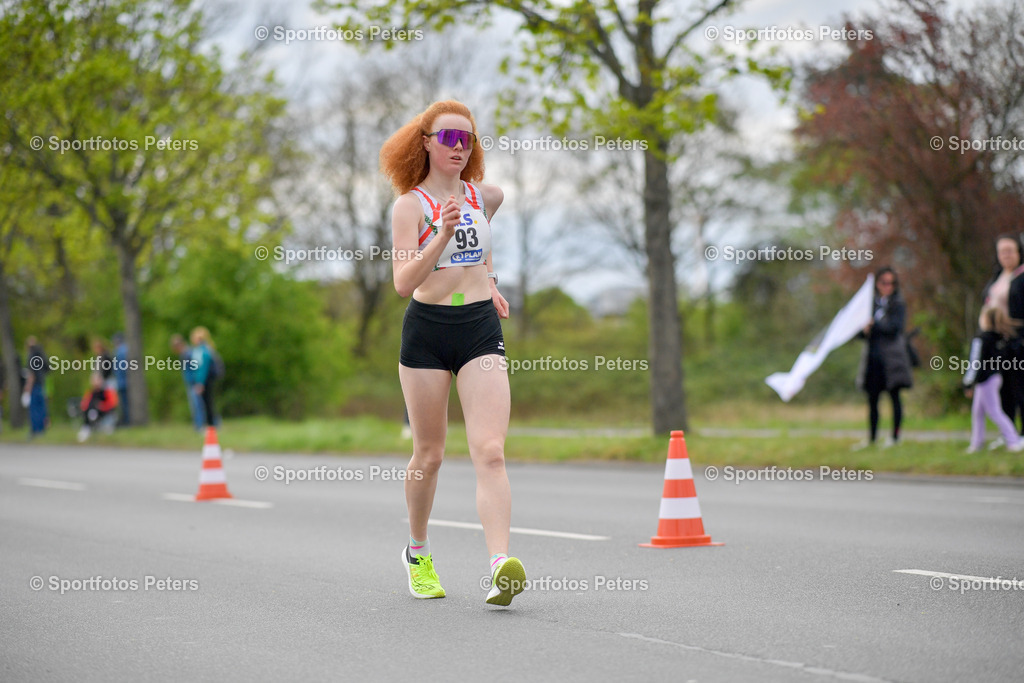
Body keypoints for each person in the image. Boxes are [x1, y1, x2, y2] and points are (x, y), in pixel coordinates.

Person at [381, 100, 524, 606]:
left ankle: (500, 566)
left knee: (490, 450)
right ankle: (418, 552)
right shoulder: (410, 206)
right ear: (426, 142)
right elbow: (404, 282)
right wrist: (440, 234)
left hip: (479, 327)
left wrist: (491, 279)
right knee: (430, 454)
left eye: (467, 139)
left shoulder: (487, 195)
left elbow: (482, 243)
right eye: (448, 138)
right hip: (428, 331)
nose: (459, 148)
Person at [854, 267, 913, 449]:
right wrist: (864, 330)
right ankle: (872, 438)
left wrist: (874, 325)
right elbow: (859, 333)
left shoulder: (898, 304)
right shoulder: (869, 305)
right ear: (877, 284)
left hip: (892, 359)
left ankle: (895, 437)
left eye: (892, 283)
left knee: (894, 398)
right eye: (884, 283)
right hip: (873, 359)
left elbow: (895, 328)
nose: (888, 287)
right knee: (873, 400)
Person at [980, 234, 1024, 437]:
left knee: (1020, 388)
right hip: (998, 344)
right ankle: (1010, 435)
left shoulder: (1021, 276)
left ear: (1018, 252)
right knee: (1004, 390)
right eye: (1002, 251)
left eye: (1009, 250)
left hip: (1017, 341)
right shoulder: (997, 277)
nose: (1006, 255)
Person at [963, 307, 1024, 453]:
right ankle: (977, 443)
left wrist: (968, 383)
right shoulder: (999, 337)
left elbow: (975, 362)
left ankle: (1013, 440)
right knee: (978, 412)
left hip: (985, 380)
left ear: (985, 319)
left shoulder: (981, 338)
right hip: (995, 377)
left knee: (994, 411)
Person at [171, 334, 205, 431]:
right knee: (195, 405)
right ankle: (198, 425)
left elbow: (196, 368)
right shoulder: (184, 354)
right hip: (190, 383)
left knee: (198, 404)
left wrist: (197, 382)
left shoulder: (189, 353)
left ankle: (201, 425)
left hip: (194, 383)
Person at [77, 371, 119, 443]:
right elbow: (84, 404)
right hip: (92, 411)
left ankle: (93, 421)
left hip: (104, 412)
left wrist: (101, 406)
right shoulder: (91, 393)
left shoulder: (107, 391)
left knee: (94, 408)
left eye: (97, 380)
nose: (95, 382)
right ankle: (88, 425)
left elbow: (113, 403)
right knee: (91, 408)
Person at [189, 327, 219, 428]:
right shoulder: (208, 349)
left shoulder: (202, 351)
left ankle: (211, 426)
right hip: (207, 380)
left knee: (206, 404)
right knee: (208, 403)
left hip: (204, 381)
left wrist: (200, 383)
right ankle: (212, 425)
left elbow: (202, 369)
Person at [23, 336, 49, 437]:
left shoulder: (31, 355)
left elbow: (31, 374)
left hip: (34, 385)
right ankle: (42, 430)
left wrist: (28, 387)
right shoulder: (41, 355)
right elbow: (47, 368)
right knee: (41, 408)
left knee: (34, 409)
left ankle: (35, 430)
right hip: (41, 384)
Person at [112, 332, 130, 426]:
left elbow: (120, 369)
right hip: (125, 381)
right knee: (126, 402)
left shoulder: (120, 352)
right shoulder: (126, 350)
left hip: (122, 382)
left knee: (125, 403)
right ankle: (126, 420)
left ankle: (127, 421)